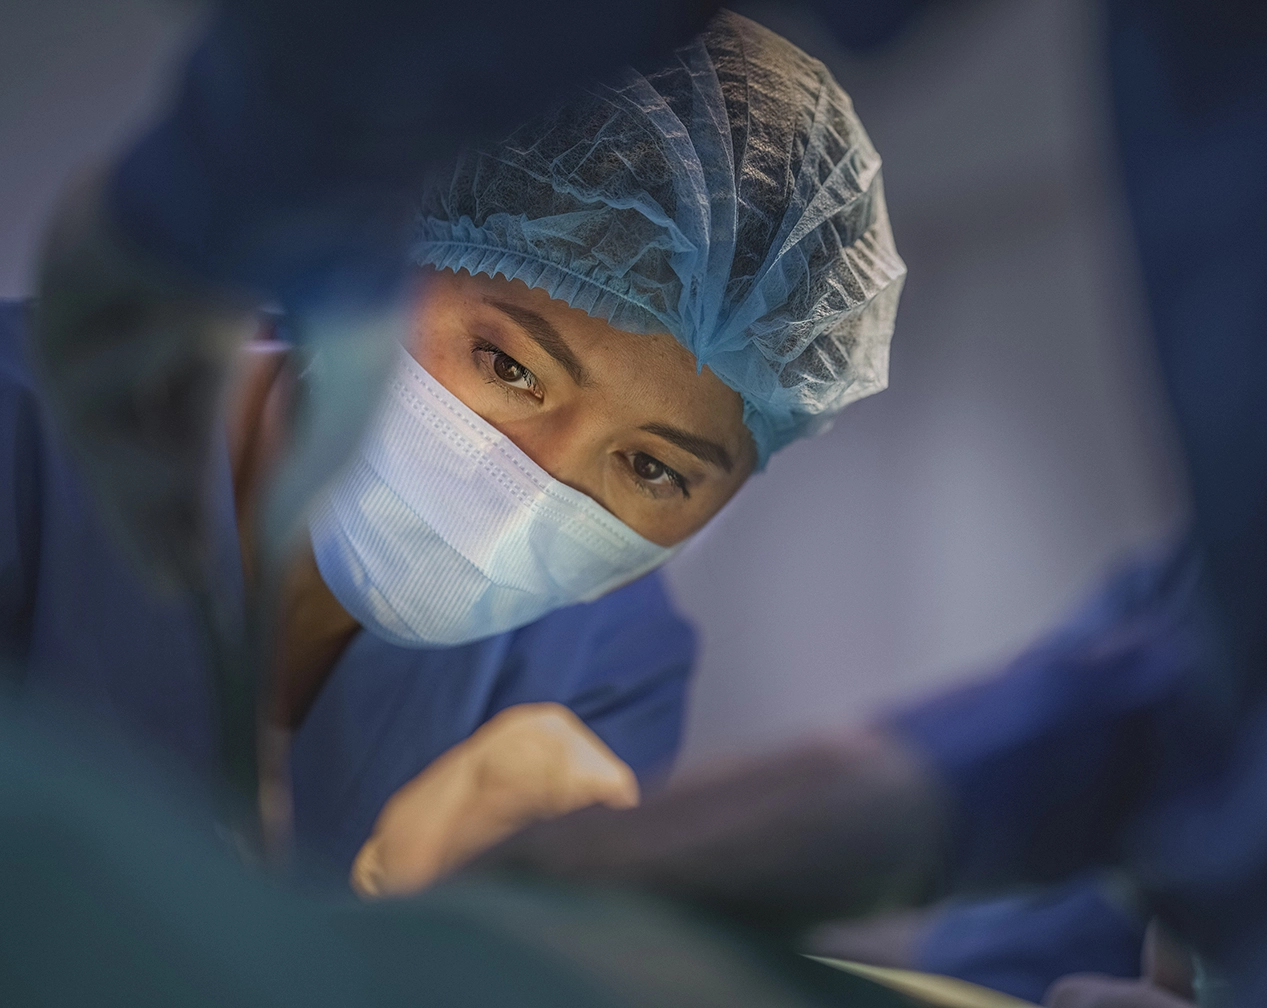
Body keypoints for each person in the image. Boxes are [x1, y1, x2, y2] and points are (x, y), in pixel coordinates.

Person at [7, 10, 905, 897]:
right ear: (388, 256)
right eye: (510, 366)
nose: (529, 492)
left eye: (653, 468)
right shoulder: (24, 431)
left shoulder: (607, 674)